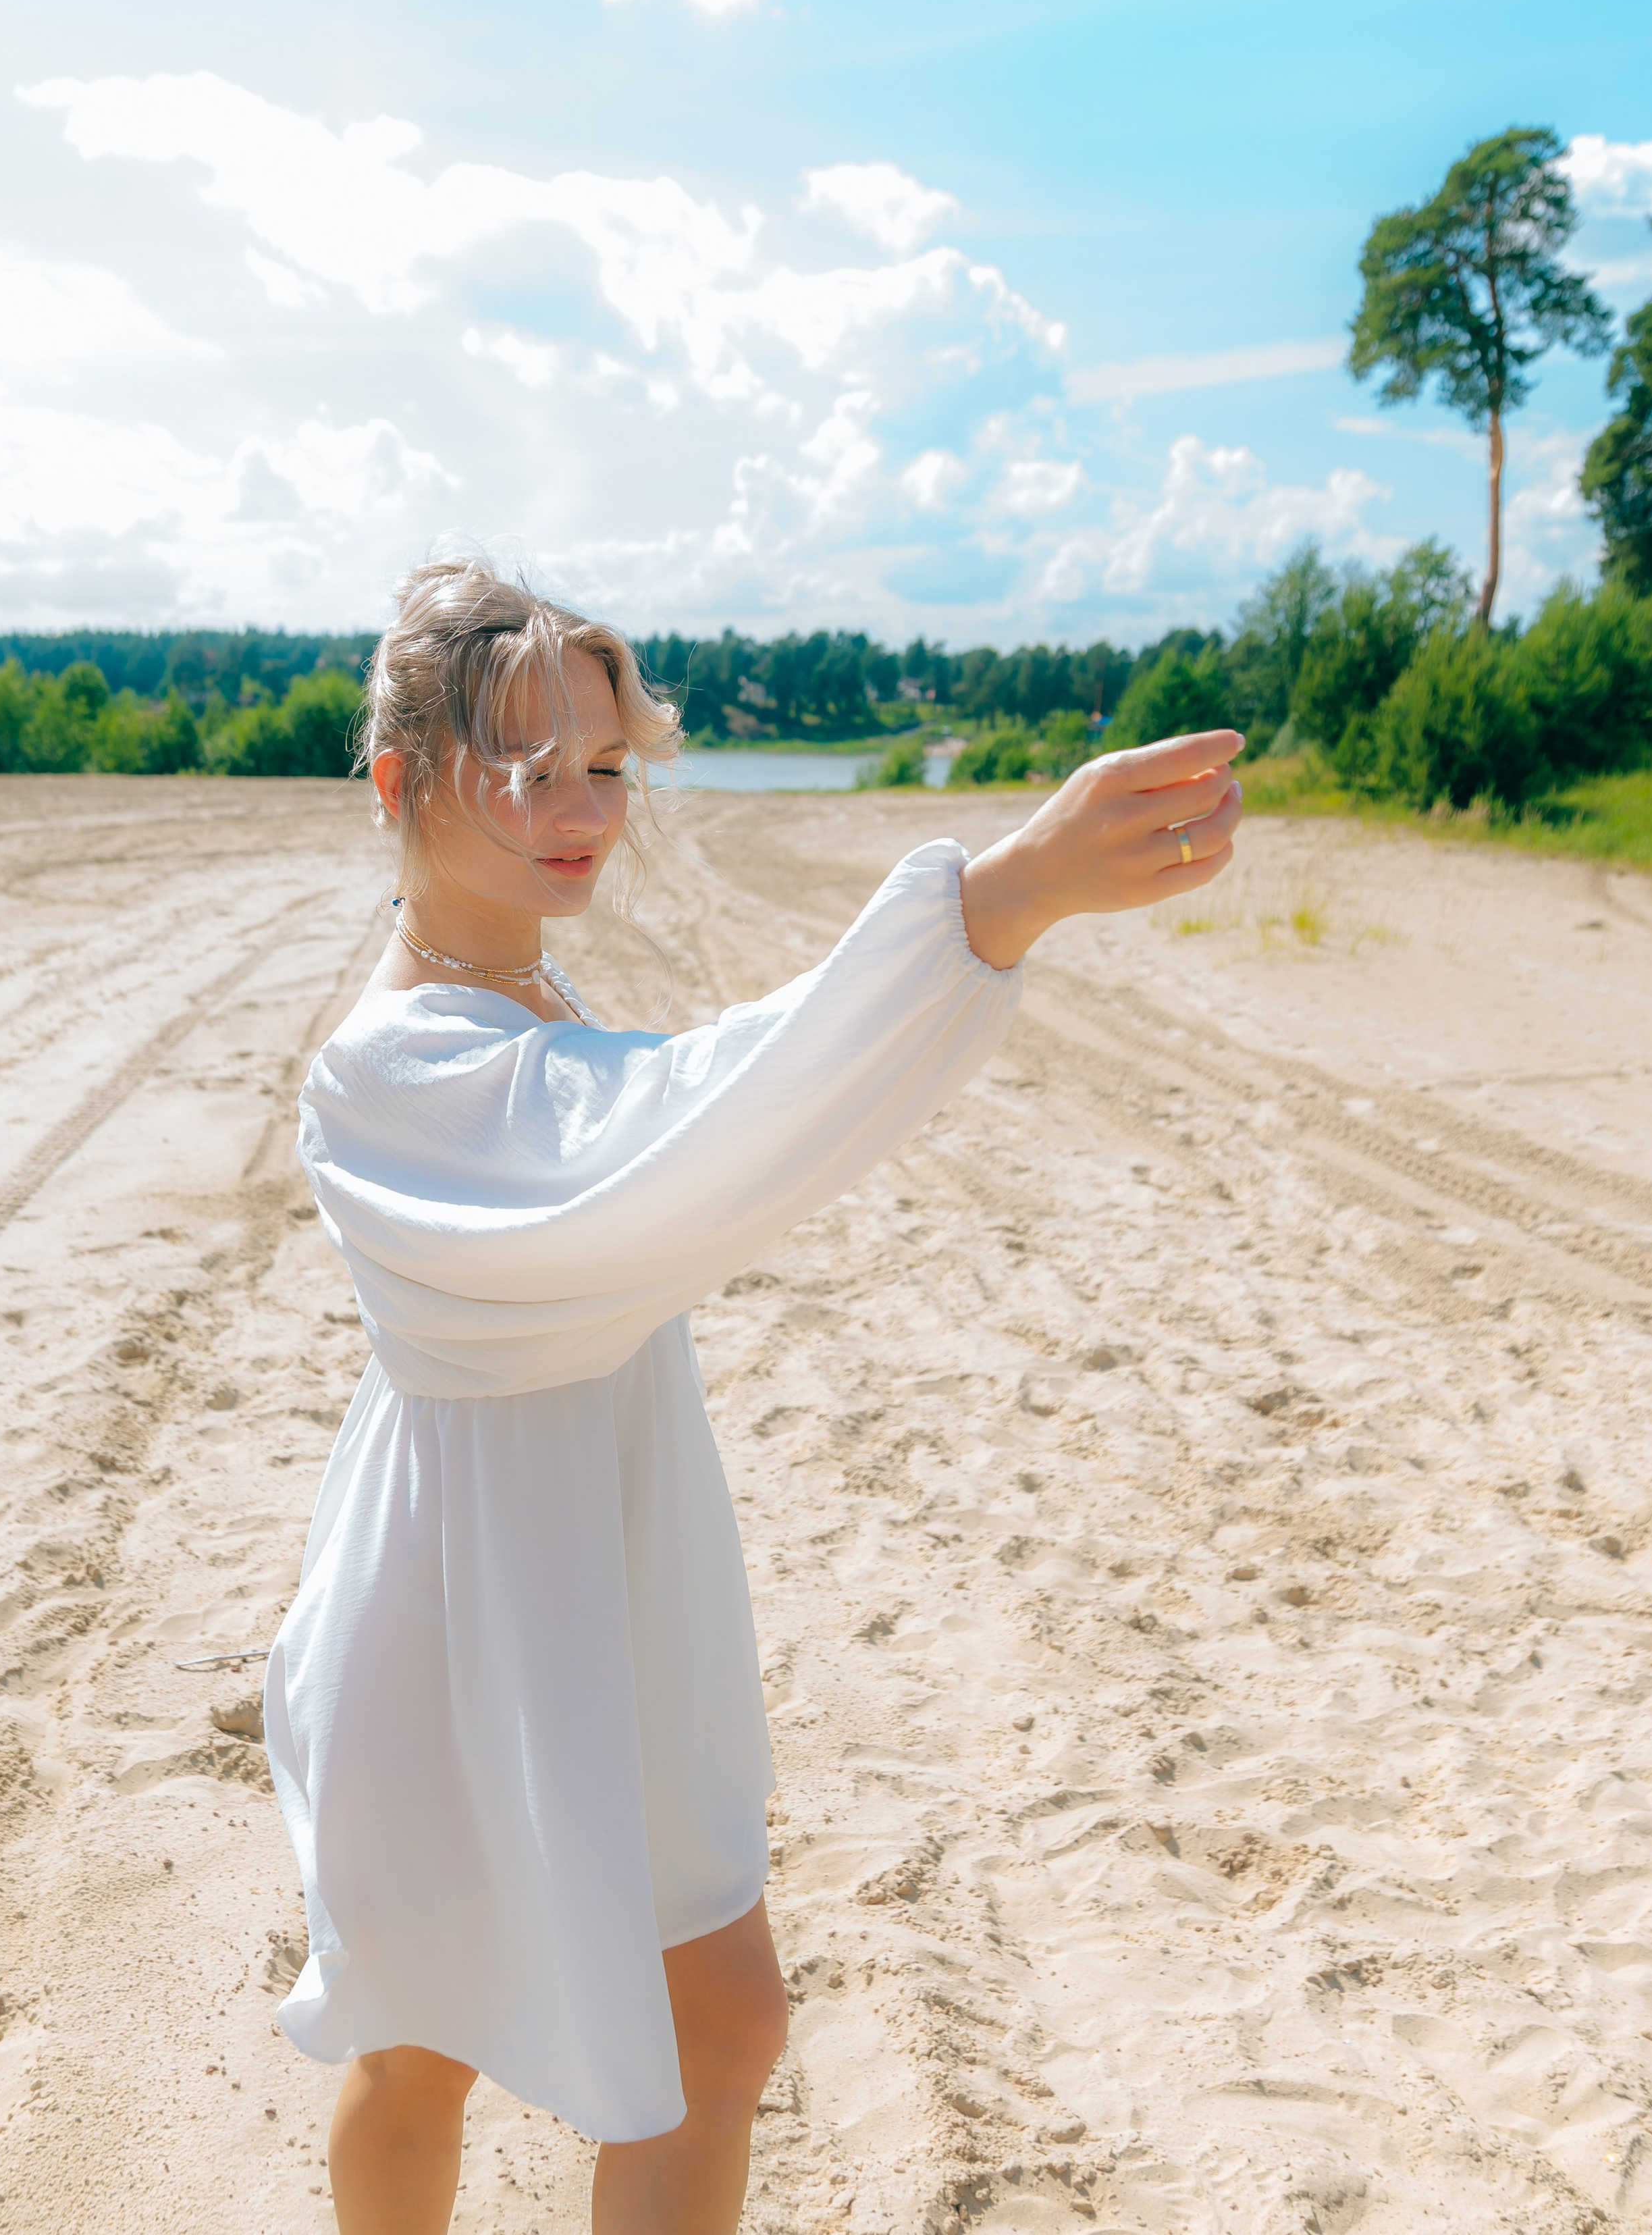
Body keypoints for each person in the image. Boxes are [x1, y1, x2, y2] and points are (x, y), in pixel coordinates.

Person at [263, 556, 1242, 2235]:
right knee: (419, 2038)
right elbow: (681, 1131)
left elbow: (673, 1120)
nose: (580, 811)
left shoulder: (538, 1006)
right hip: (461, 1603)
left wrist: (996, 910)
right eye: (528, 771)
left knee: (721, 2022)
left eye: (606, 766)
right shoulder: (388, 1071)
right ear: (400, 779)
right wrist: (992, 899)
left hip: (609, 1580)